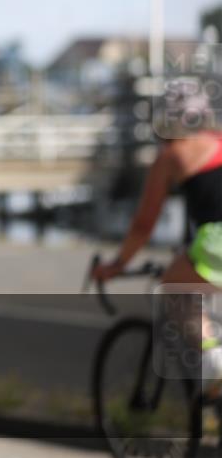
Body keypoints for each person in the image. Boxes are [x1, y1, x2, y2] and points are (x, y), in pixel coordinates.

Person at [92, 77, 222, 384]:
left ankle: (213, 360)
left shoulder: (171, 157)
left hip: (216, 241)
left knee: (172, 288)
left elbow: (142, 225)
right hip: (207, 244)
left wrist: (117, 264)